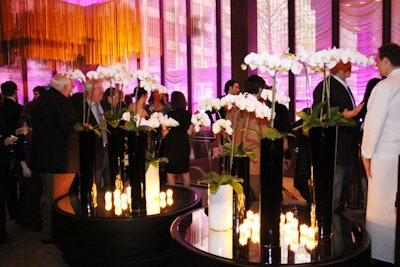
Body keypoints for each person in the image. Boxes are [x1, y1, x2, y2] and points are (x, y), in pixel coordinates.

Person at [361, 43, 400, 265]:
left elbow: (373, 124)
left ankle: (381, 255)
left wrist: (365, 154)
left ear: (386, 60)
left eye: (377, 59)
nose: (376, 64)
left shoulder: (385, 87)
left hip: (385, 156)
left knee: (382, 210)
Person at [30, 73, 79, 244]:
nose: (72, 90)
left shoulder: (39, 101)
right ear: (65, 88)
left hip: (41, 157)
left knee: (50, 194)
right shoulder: (62, 102)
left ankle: (50, 232)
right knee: (57, 198)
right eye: (71, 87)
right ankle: (51, 234)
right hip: (59, 159)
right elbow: (68, 130)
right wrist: (83, 130)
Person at [312, 60, 363, 214]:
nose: (350, 66)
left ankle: (340, 224)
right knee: (335, 192)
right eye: (346, 63)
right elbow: (319, 114)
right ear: (336, 66)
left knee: (343, 192)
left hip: (348, 147)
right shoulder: (325, 86)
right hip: (336, 147)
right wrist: (343, 115)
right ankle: (331, 227)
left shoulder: (344, 86)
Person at [225, 75, 269, 200]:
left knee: (239, 192)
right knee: (254, 195)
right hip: (254, 155)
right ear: (260, 89)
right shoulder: (260, 108)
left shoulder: (234, 105)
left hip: (236, 155)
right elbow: (265, 133)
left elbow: (226, 129)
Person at [15, 86, 46, 231]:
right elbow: (20, 149)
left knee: (31, 194)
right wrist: (24, 166)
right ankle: (31, 220)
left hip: (33, 164)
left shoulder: (32, 129)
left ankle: (27, 219)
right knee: (31, 195)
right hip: (27, 165)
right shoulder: (23, 130)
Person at [74, 79, 110, 189]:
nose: (102, 91)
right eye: (100, 88)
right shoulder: (80, 110)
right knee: (95, 183)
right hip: (93, 153)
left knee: (110, 184)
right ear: (89, 90)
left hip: (108, 150)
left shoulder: (106, 106)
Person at [0, 81, 23, 228]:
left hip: (4, 150)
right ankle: (16, 211)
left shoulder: (1, 108)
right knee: (15, 182)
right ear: (16, 91)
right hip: (16, 149)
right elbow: (18, 131)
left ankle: (12, 211)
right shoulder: (19, 109)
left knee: (6, 184)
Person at [163, 91, 193, 187]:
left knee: (171, 173)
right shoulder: (188, 114)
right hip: (184, 143)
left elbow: (164, 133)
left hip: (172, 145)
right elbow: (189, 132)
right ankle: (188, 195)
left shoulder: (169, 115)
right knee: (185, 172)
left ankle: (174, 195)